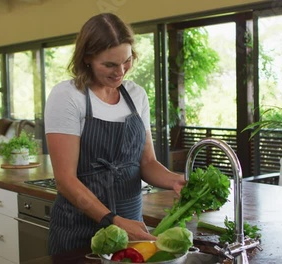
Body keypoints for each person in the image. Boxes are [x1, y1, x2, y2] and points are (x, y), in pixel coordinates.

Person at [44, 13, 186, 256]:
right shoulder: (67, 96)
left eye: (127, 61)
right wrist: (113, 220)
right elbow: (65, 181)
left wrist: (175, 180)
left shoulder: (136, 95)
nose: (120, 72)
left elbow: (147, 163)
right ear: (87, 57)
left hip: (132, 226)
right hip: (79, 229)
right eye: (109, 64)